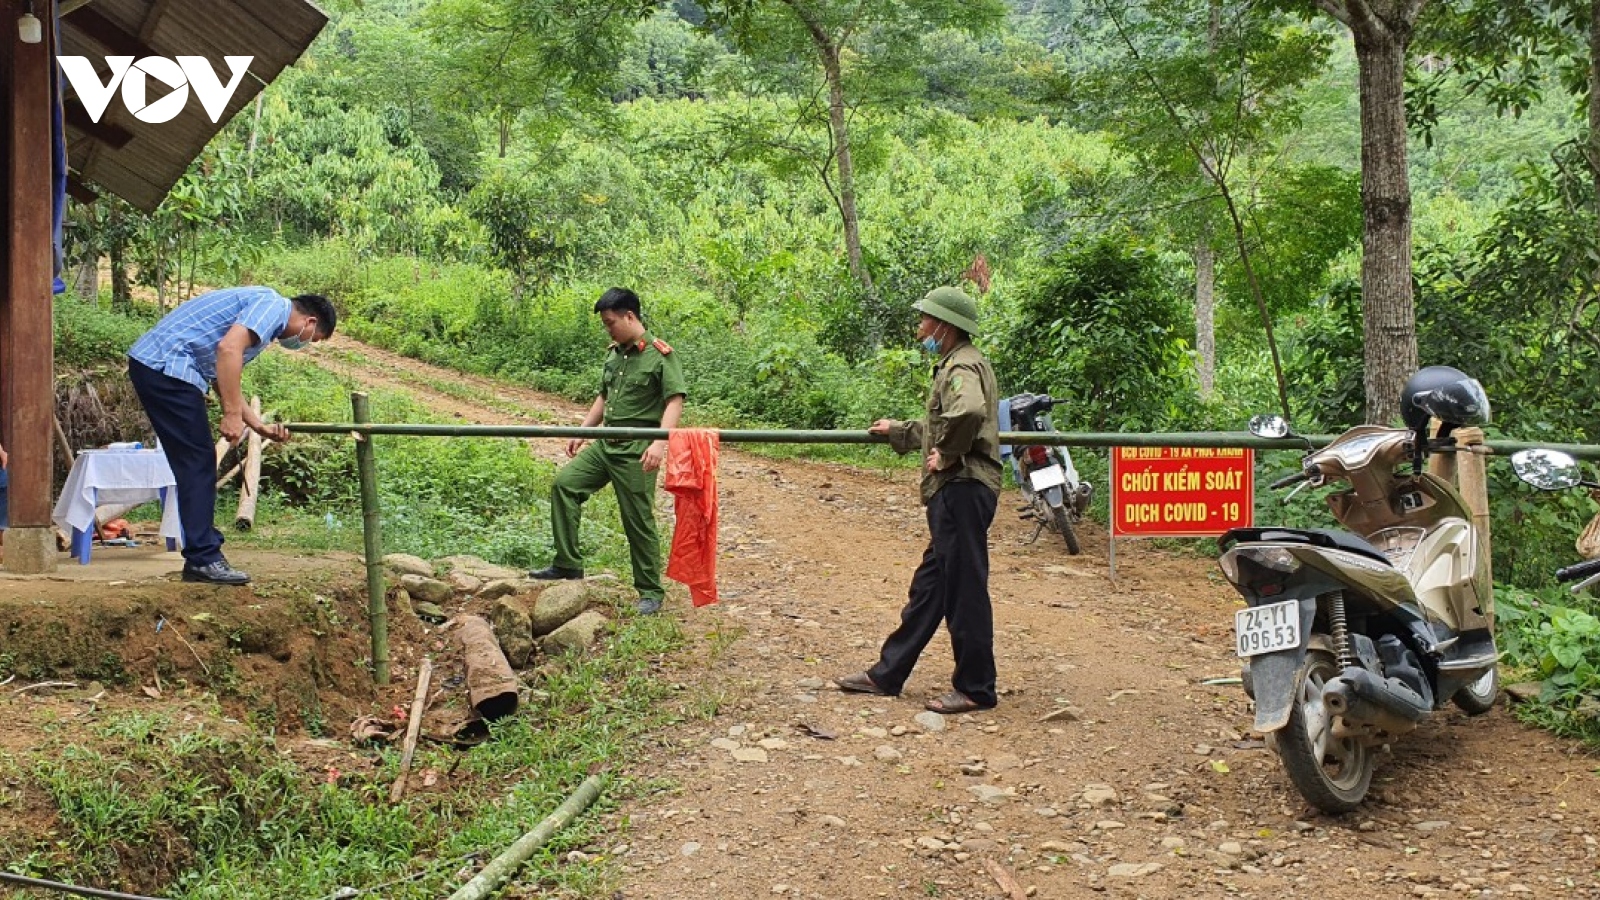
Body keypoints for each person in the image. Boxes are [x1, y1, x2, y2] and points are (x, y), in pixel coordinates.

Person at [836, 286, 1003, 714]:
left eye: (926, 320)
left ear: (945, 326)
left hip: (962, 489)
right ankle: (886, 674)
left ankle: (975, 688)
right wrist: (899, 431)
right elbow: (941, 424)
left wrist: (947, 455)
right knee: (931, 589)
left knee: (965, 591)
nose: (920, 328)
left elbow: (967, 413)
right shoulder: (960, 362)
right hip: (958, 490)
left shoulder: (961, 367)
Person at [128, 287, 337, 585]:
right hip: (167, 366)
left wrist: (257, 426)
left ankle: (203, 552)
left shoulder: (263, 316)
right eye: (311, 340)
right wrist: (230, 415)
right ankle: (203, 558)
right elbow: (228, 350)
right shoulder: (272, 307)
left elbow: (221, 375)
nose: (303, 343)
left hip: (161, 366)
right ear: (310, 322)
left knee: (195, 463)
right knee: (198, 463)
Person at [529, 287, 686, 615]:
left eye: (611, 322)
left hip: (637, 449)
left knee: (637, 519)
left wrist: (660, 442)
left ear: (630, 316)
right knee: (565, 485)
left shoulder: (660, 355)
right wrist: (584, 430)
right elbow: (604, 396)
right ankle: (568, 564)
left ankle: (650, 591)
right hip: (606, 445)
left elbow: (674, 400)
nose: (608, 328)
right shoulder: (615, 354)